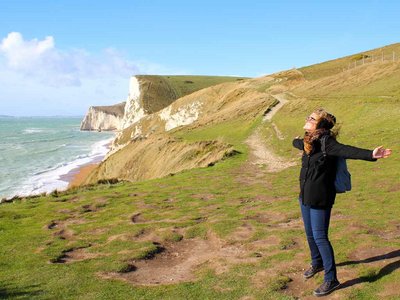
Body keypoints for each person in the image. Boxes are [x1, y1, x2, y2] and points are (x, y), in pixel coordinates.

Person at [292, 108, 392, 297]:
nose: (307, 118)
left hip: (320, 198)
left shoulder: (326, 143)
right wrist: (294, 141)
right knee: (309, 234)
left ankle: (331, 279)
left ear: (320, 124)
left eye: (311, 118)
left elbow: (347, 150)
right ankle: (317, 263)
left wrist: (371, 154)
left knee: (320, 237)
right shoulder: (309, 141)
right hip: (304, 196)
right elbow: (298, 143)